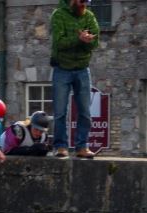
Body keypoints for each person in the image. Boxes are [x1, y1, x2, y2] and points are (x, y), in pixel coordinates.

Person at [50, 0, 99, 158]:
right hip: (62, 69)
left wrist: (88, 41)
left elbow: (95, 42)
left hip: (82, 69)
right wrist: (78, 39)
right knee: (60, 112)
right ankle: (60, 146)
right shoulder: (59, 15)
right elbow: (59, 43)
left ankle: (82, 147)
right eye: (81, 1)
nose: (84, 4)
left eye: (86, 1)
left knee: (85, 111)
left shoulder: (89, 17)